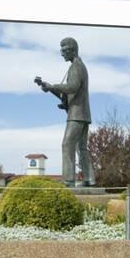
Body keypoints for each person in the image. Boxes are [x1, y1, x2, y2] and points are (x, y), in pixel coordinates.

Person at [38, 37, 95, 187]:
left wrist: (54, 86)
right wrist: (50, 88)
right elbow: (67, 95)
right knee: (81, 147)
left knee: (67, 144)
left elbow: (72, 87)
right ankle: (89, 179)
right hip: (83, 114)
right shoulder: (78, 66)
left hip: (77, 115)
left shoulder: (76, 66)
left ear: (72, 50)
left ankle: (69, 180)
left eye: (64, 50)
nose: (61, 53)